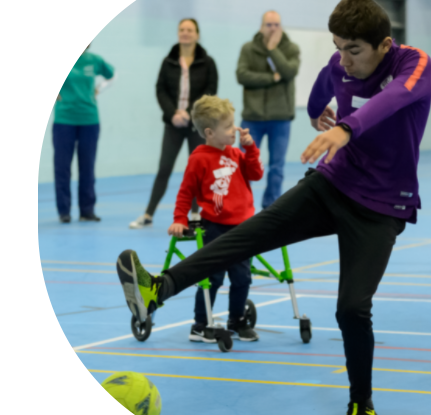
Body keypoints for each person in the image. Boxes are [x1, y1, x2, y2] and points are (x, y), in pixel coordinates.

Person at [116, 0, 431, 413]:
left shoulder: (415, 64)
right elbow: (322, 91)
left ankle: (361, 403)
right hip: (334, 184)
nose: (343, 60)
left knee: (352, 308)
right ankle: (159, 289)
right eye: (337, 47)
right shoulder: (339, 67)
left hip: (383, 206)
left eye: (353, 49)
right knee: (250, 233)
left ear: (384, 45)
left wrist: (344, 129)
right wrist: (321, 115)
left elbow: (391, 100)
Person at [168, 95, 264, 342]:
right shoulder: (199, 159)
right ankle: (200, 324)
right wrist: (180, 218)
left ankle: (237, 320)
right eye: (229, 127)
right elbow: (185, 191)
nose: (235, 129)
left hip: (243, 227)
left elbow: (256, 173)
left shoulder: (236, 153)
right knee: (213, 277)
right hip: (216, 228)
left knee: (242, 277)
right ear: (209, 132)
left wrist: (250, 148)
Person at [129, 18, 218, 229]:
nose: (185, 33)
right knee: (164, 168)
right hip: (173, 124)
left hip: (197, 124)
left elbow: (210, 91)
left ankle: (196, 215)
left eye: (189, 30)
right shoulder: (168, 61)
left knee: (197, 170)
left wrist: (189, 113)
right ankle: (148, 214)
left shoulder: (208, 62)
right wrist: (173, 114)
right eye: (182, 30)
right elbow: (160, 90)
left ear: (197, 34)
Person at [236, 10, 300, 210]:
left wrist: (273, 49)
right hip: (252, 118)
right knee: (243, 164)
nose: (273, 29)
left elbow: (289, 72)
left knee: (276, 167)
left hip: (280, 118)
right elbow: (242, 75)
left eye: (276, 25)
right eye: (268, 25)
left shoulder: (291, 48)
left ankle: (270, 207)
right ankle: (241, 205)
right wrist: (271, 79)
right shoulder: (248, 49)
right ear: (261, 27)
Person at [53, 43, 114, 223]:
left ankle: (87, 210)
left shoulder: (94, 60)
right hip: (64, 120)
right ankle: (64, 210)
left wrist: (99, 89)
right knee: (62, 167)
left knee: (87, 166)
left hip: (89, 119)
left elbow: (112, 75)